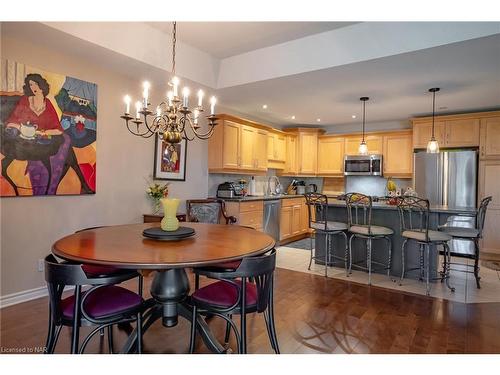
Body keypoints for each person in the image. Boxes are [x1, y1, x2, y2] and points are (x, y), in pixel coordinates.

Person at [5, 73, 93, 195]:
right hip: (27, 140)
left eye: (35, 84)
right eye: (30, 84)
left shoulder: (48, 104)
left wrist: (43, 132)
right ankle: (77, 184)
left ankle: (65, 184)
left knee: (66, 140)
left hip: (44, 138)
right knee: (66, 144)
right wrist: (23, 128)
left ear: (42, 86)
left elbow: (57, 128)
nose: (33, 87)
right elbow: (12, 121)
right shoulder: (25, 101)